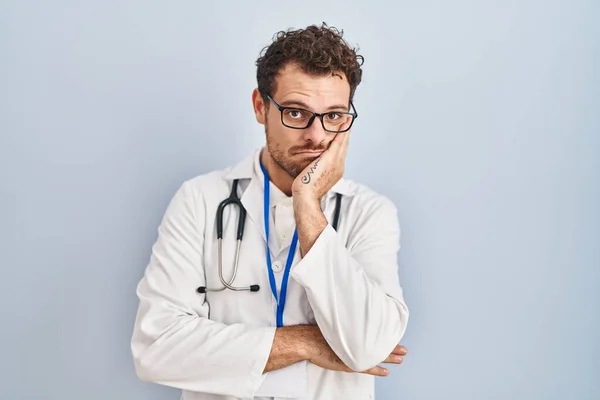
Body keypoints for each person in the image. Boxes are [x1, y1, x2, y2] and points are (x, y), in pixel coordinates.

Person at [130, 23, 409, 400]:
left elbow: (369, 346)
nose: (316, 135)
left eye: (334, 116)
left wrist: (308, 204)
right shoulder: (200, 200)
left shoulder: (370, 213)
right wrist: (307, 343)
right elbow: (156, 348)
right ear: (261, 107)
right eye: (296, 113)